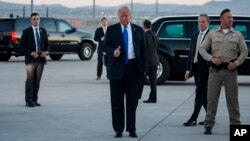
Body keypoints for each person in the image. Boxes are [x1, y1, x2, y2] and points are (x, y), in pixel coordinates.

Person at [199, 9, 248, 134]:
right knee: (212, 100)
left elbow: (244, 51)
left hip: (230, 72)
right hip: (215, 72)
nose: (231, 19)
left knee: (233, 101)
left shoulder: (237, 34)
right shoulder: (213, 33)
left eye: (232, 17)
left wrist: (236, 63)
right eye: (228, 17)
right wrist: (211, 58)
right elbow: (202, 48)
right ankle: (208, 125)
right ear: (221, 19)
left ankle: (236, 126)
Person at [103, 6, 146, 138]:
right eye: (122, 16)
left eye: (126, 15)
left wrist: (143, 70)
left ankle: (131, 129)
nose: (124, 18)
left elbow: (144, 52)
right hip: (116, 70)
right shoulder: (111, 30)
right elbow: (105, 47)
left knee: (132, 101)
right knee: (117, 101)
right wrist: (113, 52)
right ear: (118, 16)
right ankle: (118, 129)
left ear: (130, 15)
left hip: (133, 69)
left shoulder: (138, 30)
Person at [183, 14, 210, 126]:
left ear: (208, 22)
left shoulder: (212, 36)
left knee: (199, 93)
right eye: (199, 22)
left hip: (206, 70)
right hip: (196, 69)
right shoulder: (194, 36)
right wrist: (188, 70)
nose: (201, 24)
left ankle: (193, 119)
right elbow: (191, 55)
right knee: (203, 95)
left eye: (203, 22)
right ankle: (210, 117)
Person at [19, 12, 49, 107]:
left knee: (37, 81)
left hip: (41, 60)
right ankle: (28, 101)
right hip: (30, 60)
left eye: (37, 19)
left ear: (39, 20)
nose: (36, 21)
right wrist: (31, 52)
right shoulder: (26, 31)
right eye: (34, 19)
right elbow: (21, 46)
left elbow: (48, 45)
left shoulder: (43, 31)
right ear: (30, 20)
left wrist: (46, 52)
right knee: (30, 80)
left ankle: (34, 100)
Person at [142, 20, 159, 103]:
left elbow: (143, 50)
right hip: (155, 61)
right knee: (153, 82)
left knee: (140, 80)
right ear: (151, 26)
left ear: (144, 26)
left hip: (147, 63)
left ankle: (137, 96)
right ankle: (153, 98)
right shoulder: (155, 35)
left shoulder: (144, 35)